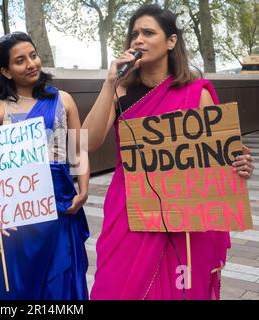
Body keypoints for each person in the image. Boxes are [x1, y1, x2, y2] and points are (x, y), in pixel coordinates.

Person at [83, 4, 255, 300]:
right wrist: (109, 83)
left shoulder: (196, 92)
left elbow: (219, 157)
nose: (138, 39)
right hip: (129, 209)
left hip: (183, 213)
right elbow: (87, 142)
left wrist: (240, 165)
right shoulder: (120, 90)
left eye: (148, 33)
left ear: (171, 41)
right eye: (134, 34)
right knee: (114, 286)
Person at [0, 31, 90, 300]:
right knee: (20, 286)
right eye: (20, 60)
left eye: (33, 55)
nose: (31, 64)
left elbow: (79, 149)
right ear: (6, 71)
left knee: (61, 287)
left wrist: (84, 191)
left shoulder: (63, 99)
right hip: (17, 213)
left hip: (61, 205)